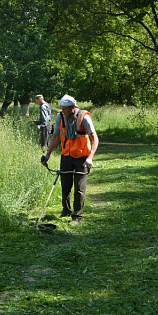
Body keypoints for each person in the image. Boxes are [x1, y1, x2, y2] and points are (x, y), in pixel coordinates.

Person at [42, 95, 99, 226]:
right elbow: (56, 136)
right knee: (65, 185)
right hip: (66, 156)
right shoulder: (60, 117)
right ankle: (66, 211)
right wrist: (48, 155)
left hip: (82, 158)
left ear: (73, 107)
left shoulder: (84, 118)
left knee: (79, 188)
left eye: (65, 109)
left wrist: (90, 158)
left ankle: (77, 217)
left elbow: (94, 138)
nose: (63, 111)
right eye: (61, 109)